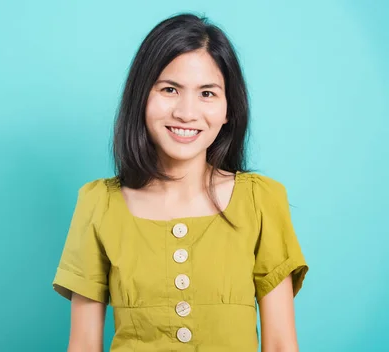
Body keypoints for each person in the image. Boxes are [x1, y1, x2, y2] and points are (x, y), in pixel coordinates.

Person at [52, 12, 309, 352]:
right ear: (142, 95)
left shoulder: (262, 201)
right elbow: (83, 345)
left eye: (207, 93)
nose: (187, 112)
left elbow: (279, 344)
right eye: (170, 89)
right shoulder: (98, 203)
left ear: (228, 108)